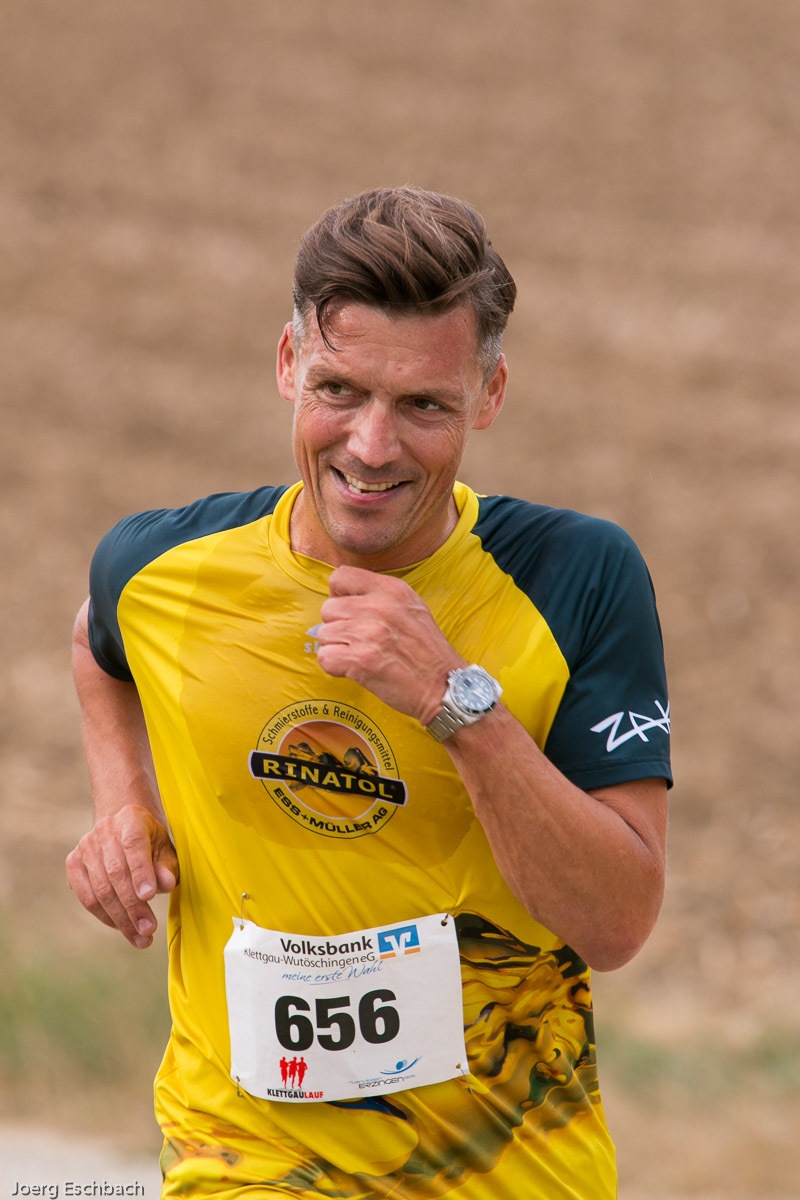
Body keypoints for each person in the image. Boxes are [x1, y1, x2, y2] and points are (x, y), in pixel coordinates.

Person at [67, 186, 671, 1199]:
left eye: (424, 405)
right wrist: (124, 804)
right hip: (242, 1163)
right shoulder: (162, 567)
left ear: (488, 394)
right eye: (339, 390)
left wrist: (454, 702)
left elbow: (616, 924)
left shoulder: (574, 578)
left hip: (509, 1172)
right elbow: (97, 641)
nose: (371, 446)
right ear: (286, 364)